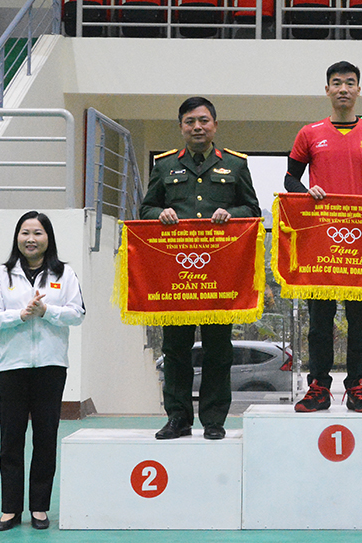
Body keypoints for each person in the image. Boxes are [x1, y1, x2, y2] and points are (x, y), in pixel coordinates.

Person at [140, 96, 261, 440]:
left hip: (219, 275)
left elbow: (252, 210)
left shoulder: (235, 165)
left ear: (215, 126)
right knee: (175, 349)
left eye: (203, 121)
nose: (197, 127)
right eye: (190, 122)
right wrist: (159, 215)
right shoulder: (164, 166)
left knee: (218, 349)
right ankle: (177, 418)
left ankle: (213, 420)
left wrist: (231, 214)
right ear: (181, 127)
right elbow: (146, 208)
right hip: (177, 275)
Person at [285, 60, 362, 413]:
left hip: (361, 244)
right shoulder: (309, 132)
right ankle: (318, 386)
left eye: (350, 83)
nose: (343, 89)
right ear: (328, 90)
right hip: (321, 243)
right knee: (319, 323)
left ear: (359, 90)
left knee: (361, 323)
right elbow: (290, 180)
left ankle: (358, 386)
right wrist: (307, 191)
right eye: (337, 83)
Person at [0, 211, 86, 531]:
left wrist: (47, 311)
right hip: (12, 368)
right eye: (25, 233)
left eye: (38, 233)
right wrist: (21, 315)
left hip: (51, 368)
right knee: (11, 439)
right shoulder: (2, 275)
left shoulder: (64, 273)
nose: (31, 239)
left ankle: (39, 507)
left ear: (48, 238)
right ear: (17, 238)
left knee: (45, 437)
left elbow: (77, 313)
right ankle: (10, 509)